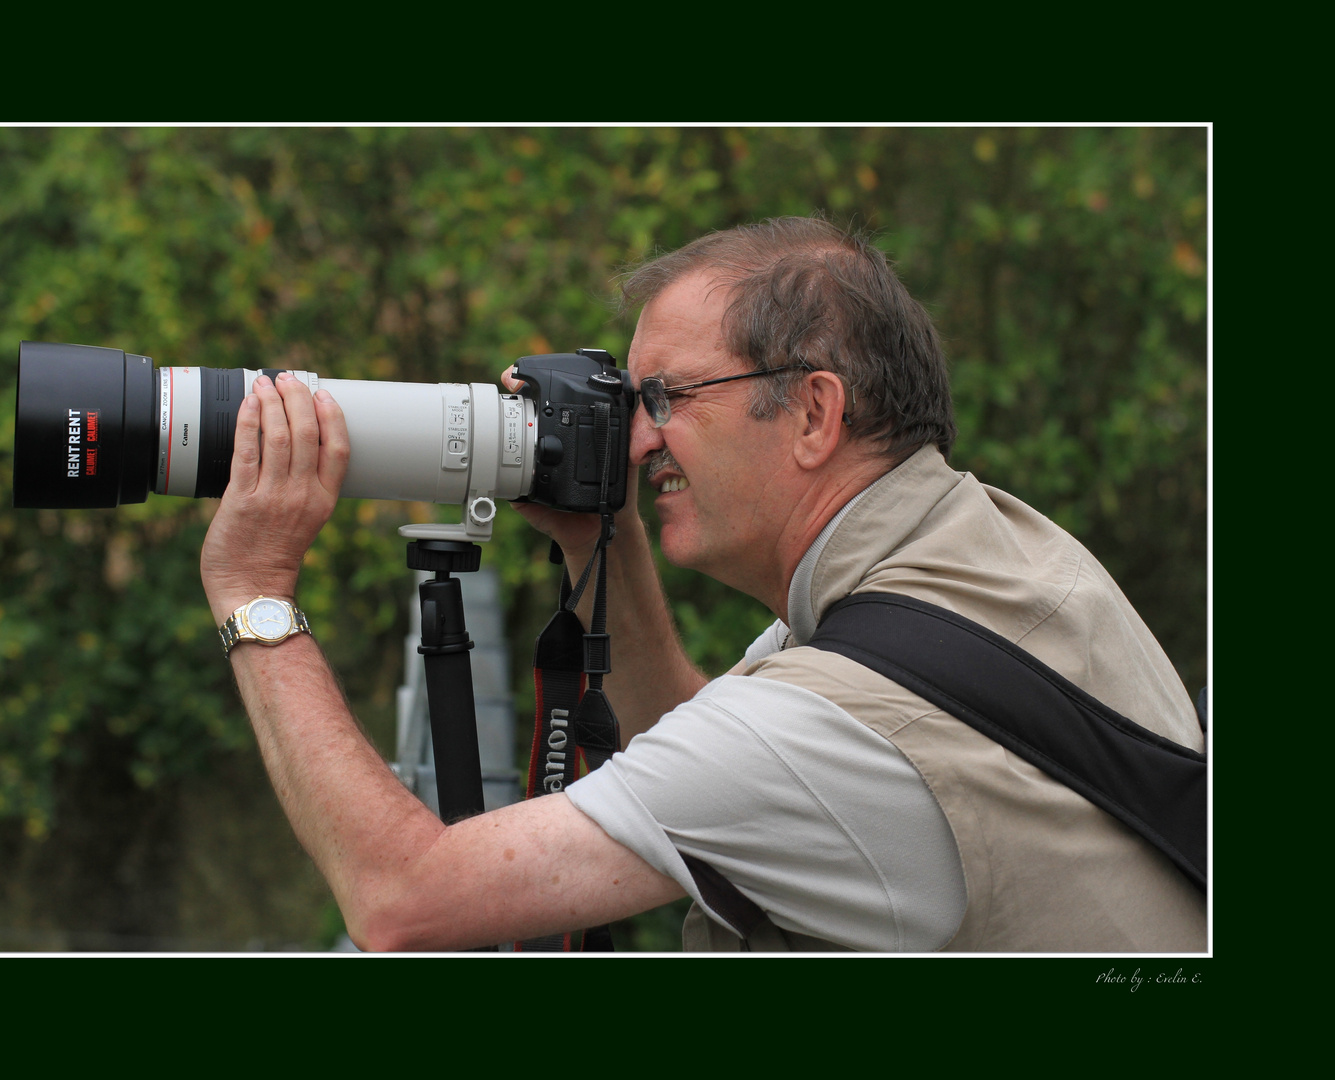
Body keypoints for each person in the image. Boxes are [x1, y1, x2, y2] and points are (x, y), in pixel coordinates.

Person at [199, 217, 1206, 952]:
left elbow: (400, 900)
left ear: (814, 413)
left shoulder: (835, 716)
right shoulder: (980, 556)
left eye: (664, 398)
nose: (636, 439)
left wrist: (257, 591)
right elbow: (703, 749)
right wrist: (606, 543)